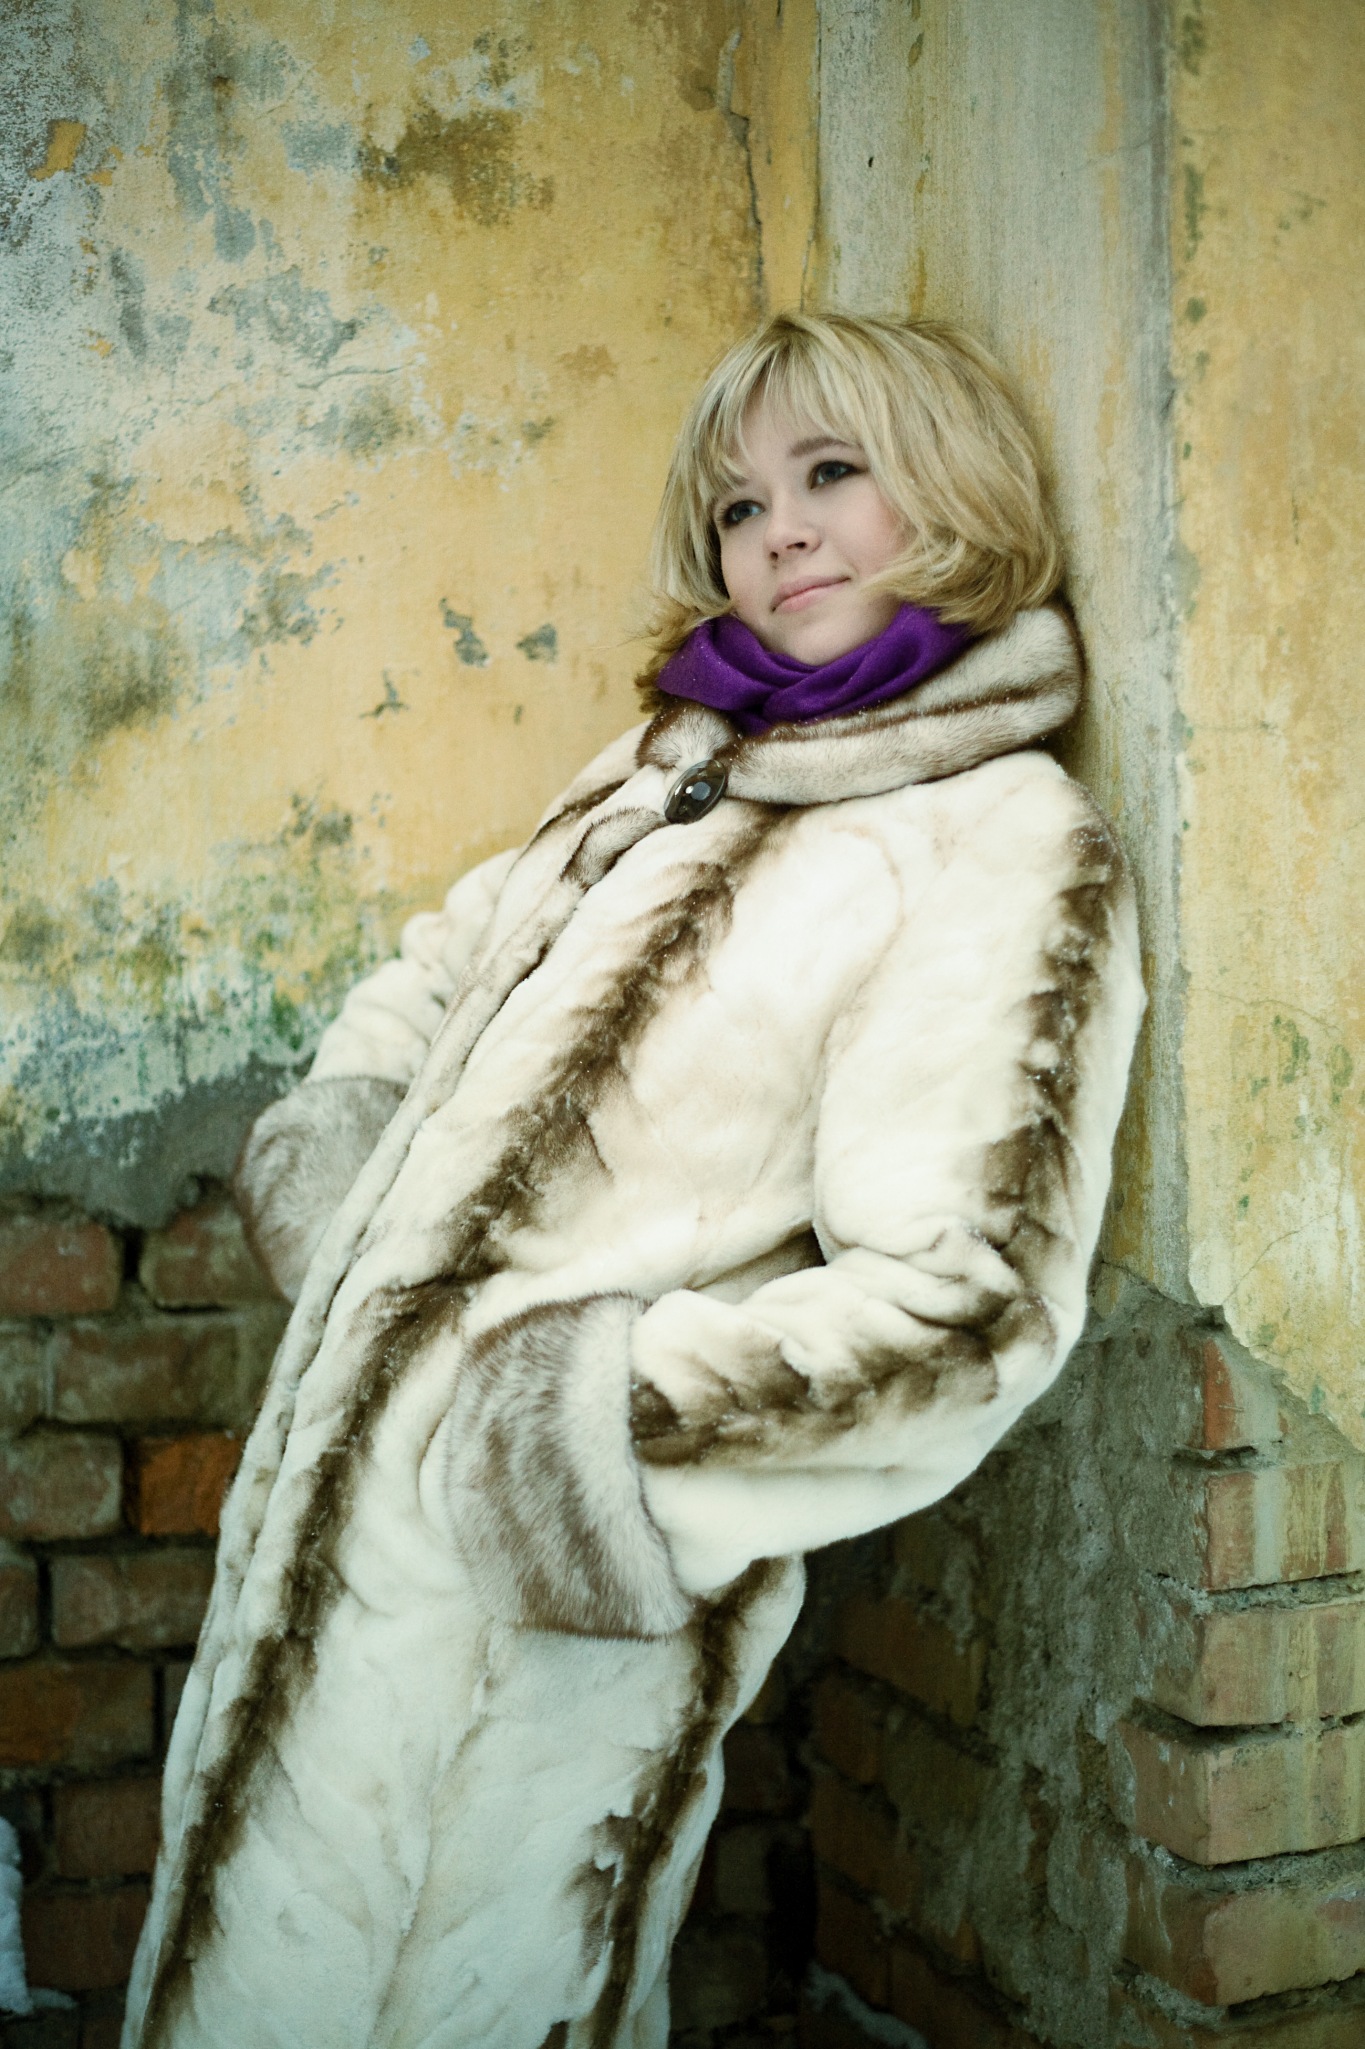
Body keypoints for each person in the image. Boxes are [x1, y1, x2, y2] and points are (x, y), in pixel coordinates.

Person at [124, 312, 1143, 2049]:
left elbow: (964, 1305)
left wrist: (566, 1439)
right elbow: (444, 965)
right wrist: (338, 1161)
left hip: (534, 1621)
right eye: (740, 506)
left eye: (831, 473)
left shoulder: (995, 838)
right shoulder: (673, 762)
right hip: (338, 1525)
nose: (781, 531)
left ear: (955, 489)